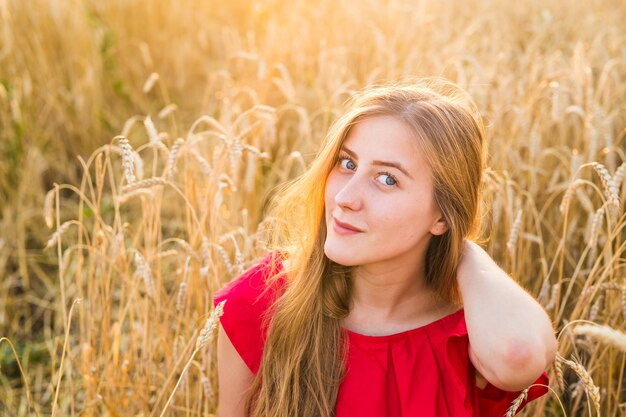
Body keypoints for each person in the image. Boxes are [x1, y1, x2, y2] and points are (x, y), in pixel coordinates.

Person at [213, 78, 557, 417]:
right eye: (347, 164)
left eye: (387, 178)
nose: (345, 199)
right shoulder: (262, 302)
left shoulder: (468, 337)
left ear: (442, 215)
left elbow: (518, 357)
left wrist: (465, 252)